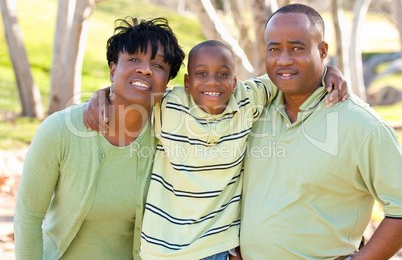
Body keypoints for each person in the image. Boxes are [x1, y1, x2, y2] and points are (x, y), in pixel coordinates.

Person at [84, 39, 348, 259]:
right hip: (161, 249)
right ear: (187, 83)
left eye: (223, 75)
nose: (212, 82)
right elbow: (133, 90)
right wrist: (101, 95)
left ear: (234, 82)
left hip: (218, 248)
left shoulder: (248, 98)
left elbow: (288, 74)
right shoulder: (168, 105)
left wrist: (327, 71)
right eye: (201, 74)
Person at [239, 3, 402, 260]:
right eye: (274, 49)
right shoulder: (252, 110)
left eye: (297, 48)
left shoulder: (363, 126)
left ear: (323, 50)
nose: (283, 59)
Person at [14, 17, 185, 260]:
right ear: (113, 69)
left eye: (158, 66)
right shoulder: (60, 130)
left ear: (167, 83)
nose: (145, 69)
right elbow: (28, 218)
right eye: (134, 59)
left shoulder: (170, 134)